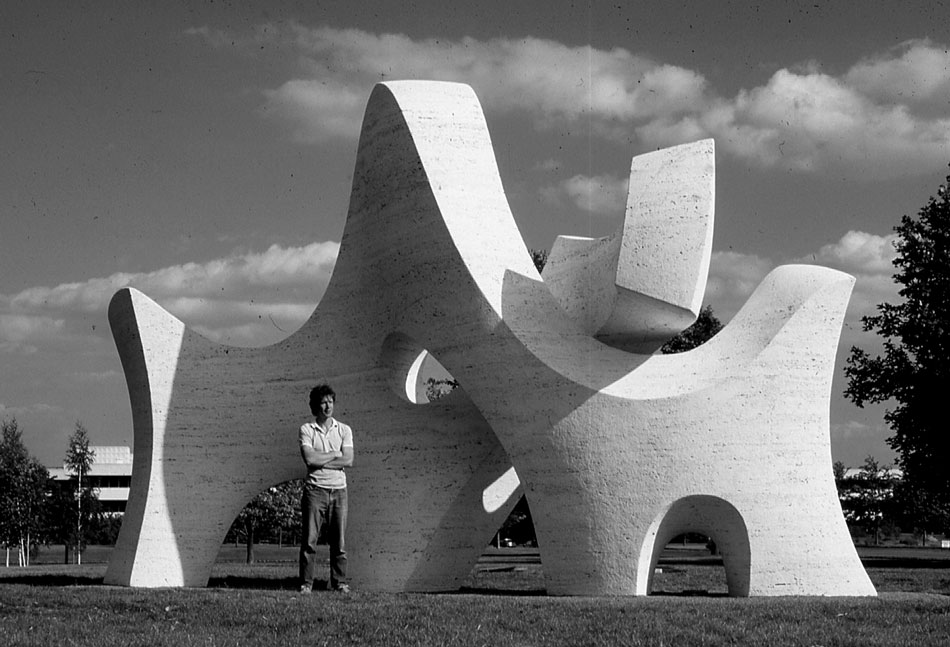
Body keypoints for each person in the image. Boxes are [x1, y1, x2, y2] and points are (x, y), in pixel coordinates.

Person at [298, 383, 354, 593]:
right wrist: (334, 454)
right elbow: (309, 459)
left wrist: (321, 460)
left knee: (338, 542)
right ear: (315, 406)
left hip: (339, 490)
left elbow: (348, 460)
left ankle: (339, 582)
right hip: (315, 490)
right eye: (323, 402)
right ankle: (306, 583)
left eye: (330, 401)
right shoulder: (307, 429)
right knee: (310, 540)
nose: (328, 406)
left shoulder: (344, 430)